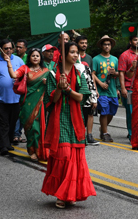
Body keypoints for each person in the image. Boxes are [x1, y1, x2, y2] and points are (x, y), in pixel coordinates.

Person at [41, 42, 96, 208]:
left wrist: (68, 90)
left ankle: (68, 194)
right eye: (72, 52)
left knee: (75, 157)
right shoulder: (52, 74)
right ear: (63, 55)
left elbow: (82, 98)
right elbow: (51, 100)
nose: (75, 55)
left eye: (77, 52)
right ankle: (61, 193)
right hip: (59, 120)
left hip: (76, 120)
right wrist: (59, 87)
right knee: (64, 155)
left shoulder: (79, 73)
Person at [14, 48, 50, 161]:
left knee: (38, 128)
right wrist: (9, 64)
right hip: (27, 102)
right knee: (29, 127)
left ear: (41, 58)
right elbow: (14, 75)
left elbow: (53, 86)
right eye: (33, 55)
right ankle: (31, 150)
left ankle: (39, 151)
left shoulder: (46, 71)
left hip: (40, 103)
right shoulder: (25, 69)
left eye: (37, 56)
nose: (35, 57)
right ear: (29, 57)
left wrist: (47, 83)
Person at [92, 35, 119, 142]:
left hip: (112, 89)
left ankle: (103, 128)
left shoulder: (115, 59)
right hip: (102, 91)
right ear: (101, 46)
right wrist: (99, 85)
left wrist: (115, 74)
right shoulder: (96, 59)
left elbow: (119, 74)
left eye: (109, 44)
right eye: (105, 44)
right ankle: (105, 132)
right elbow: (92, 74)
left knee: (112, 110)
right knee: (104, 111)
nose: (107, 46)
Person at [74, 36, 98, 145]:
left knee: (89, 112)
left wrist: (94, 93)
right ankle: (78, 136)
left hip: (87, 90)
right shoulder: (68, 63)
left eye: (85, 43)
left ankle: (89, 135)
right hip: (75, 92)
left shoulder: (89, 58)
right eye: (81, 42)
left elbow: (91, 76)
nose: (84, 44)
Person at [118, 35, 138, 140]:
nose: (137, 42)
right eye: (135, 40)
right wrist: (123, 88)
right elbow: (121, 73)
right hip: (129, 88)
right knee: (131, 112)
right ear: (130, 41)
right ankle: (132, 133)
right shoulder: (124, 55)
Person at [13, 39, 28, 144]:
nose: (18, 49)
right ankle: (16, 134)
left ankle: (18, 133)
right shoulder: (12, 57)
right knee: (16, 112)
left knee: (22, 112)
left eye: (20, 47)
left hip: (26, 89)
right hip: (14, 88)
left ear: (25, 49)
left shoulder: (29, 58)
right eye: (17, 47)